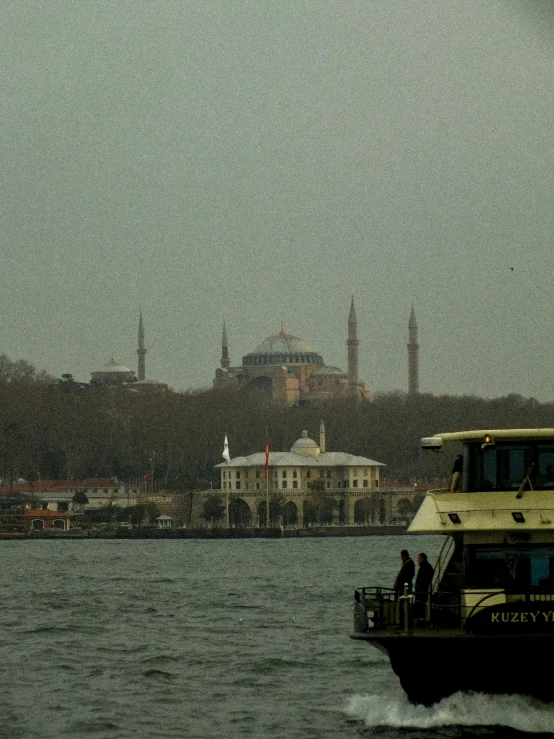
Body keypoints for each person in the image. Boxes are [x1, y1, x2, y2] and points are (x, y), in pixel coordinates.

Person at [394, 550, 415, 628]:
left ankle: (403, 623)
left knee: (403, 606)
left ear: (403, 556)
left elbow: (401, 576)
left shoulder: (406, 564)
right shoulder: (410, 563)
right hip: (406, 586)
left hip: (404, 587)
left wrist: (397, 585)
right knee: (406, 605)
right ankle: (406, 623)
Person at [414, 553, 434, 622]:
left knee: (421, 606)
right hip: (422, 590)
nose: (418, 560)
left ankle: (421, 620)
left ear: (422, 559)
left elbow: (422, 580)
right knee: (422, 606)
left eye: (419, 558)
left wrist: (419, 587)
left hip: (421, 591)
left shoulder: (424, 567)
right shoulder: (427, 566)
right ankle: (421, 620)